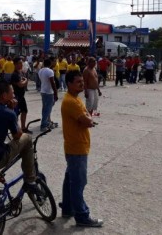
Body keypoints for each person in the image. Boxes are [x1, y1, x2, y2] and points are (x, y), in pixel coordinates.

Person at [59, 70, 104, 227]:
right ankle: (82, 215)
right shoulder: (71, 102)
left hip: (75, 146)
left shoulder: (75, 99)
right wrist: (89, 120)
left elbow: (87, 118)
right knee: (78, 182)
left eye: (82, 81)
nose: (82, 84)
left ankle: (67, 207)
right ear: (69, 84)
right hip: (76, 148)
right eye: (78, 82)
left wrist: (88, 119)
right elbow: (87, 121)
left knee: (70, 179)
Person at [10, 57, 31, 133]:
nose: (21, 64)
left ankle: (23, 128)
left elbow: (23, 84)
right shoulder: (15, 75)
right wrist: (25, 80)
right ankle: (16, 130)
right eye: (19, 63)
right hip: (17, 97)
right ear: (15, 64)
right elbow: (21, 85)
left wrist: (24, 81)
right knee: (16, 114)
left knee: (24, 111)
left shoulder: (20, 73)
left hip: (21, 96)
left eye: (21, 63)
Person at [38, 58, 58, 132]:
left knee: (45, 108)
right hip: (49, 92)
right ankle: (43, 125)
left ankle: (47, 122)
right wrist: (56, 93)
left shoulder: (40, 70)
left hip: (43, 91)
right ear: (50, 64)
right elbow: (52, 83)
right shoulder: (50, 71)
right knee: (47, 109)